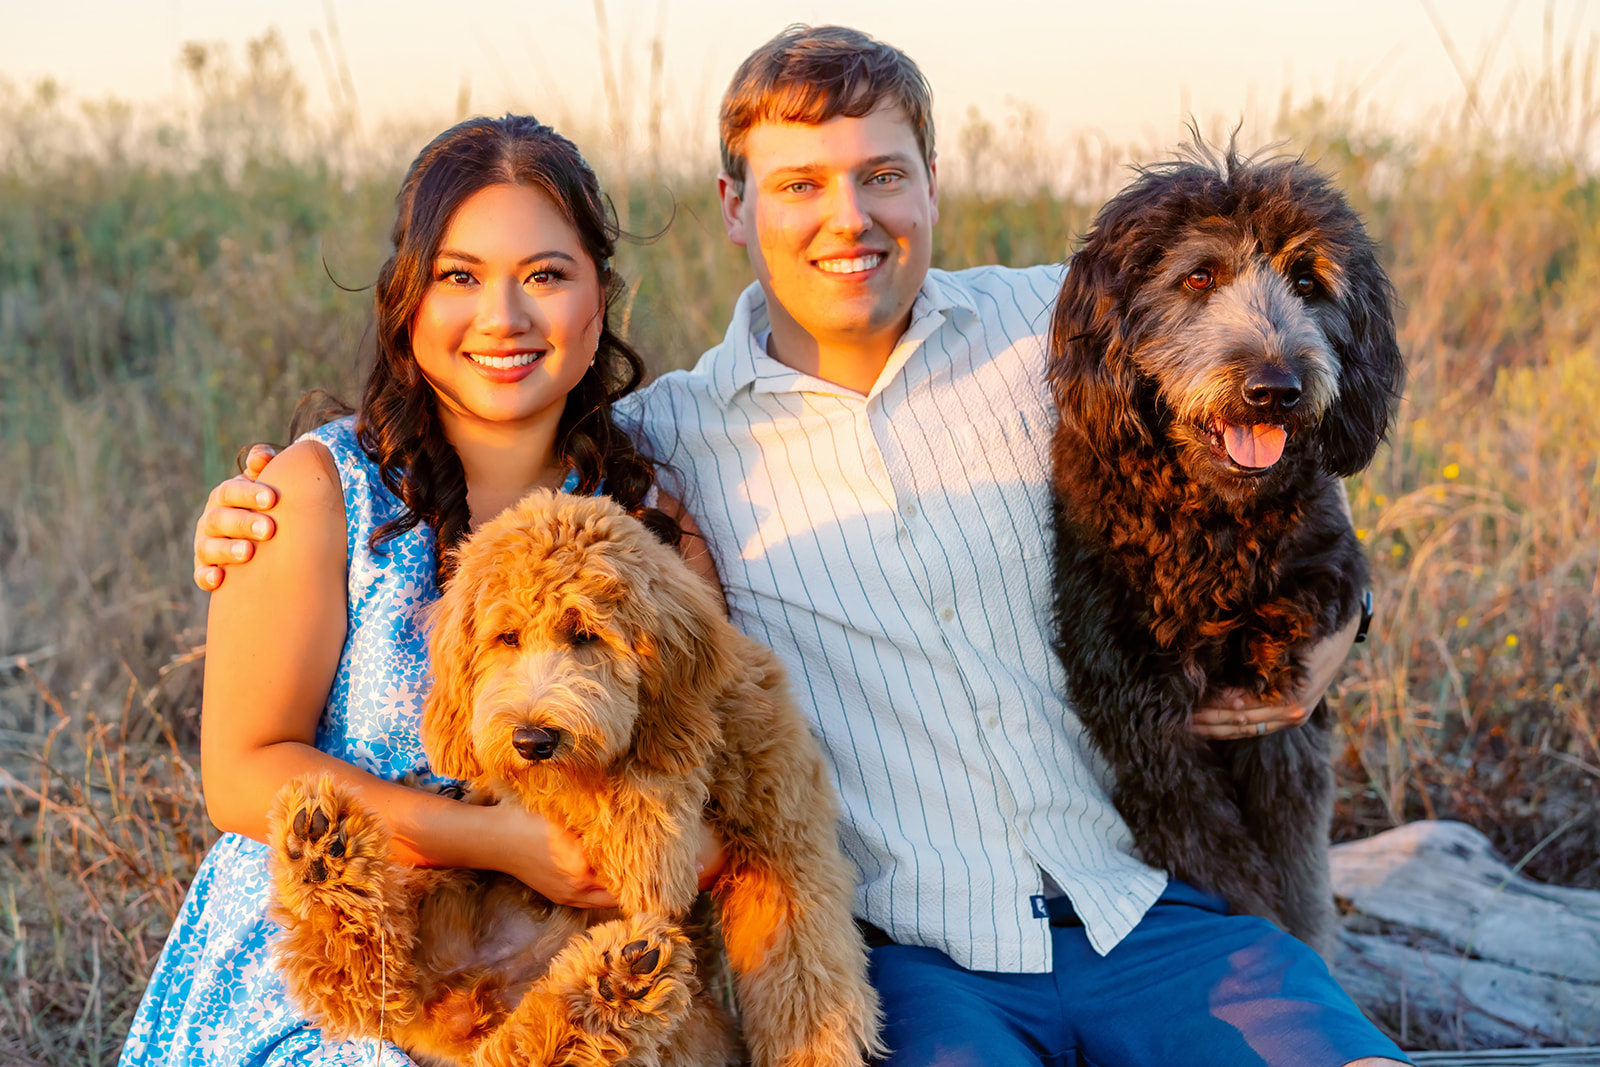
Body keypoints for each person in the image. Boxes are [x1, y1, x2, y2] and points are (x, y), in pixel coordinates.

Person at [193, 26, 1411, 1067]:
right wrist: (252, 501)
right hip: (920, 956)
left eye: (882, 175)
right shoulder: (671, 447)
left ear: (931, 181)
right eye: (797, 185)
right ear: (734, 208)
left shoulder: (1050, 332)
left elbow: (1262, 425)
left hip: (1142, 906)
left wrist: (1334, 621)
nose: (849, 218)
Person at [127, 114, 725, 1066]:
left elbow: (708, 760)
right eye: (460, 276)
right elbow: (240, 773)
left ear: (599, 301)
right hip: (338, 965)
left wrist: (663, 852)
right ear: (408, 298)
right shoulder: (318, 493)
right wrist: (497, 841)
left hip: (560, 960)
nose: (504, 318)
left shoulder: (642, 516)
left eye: (545, 275)